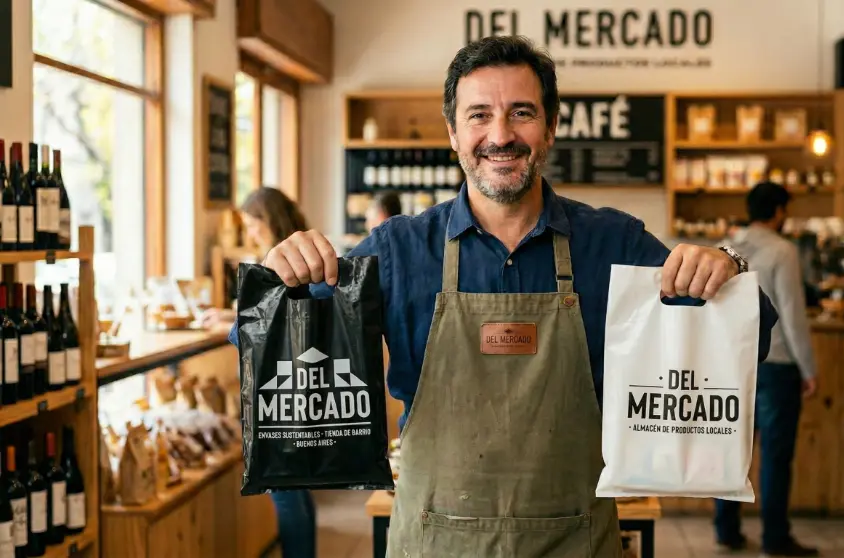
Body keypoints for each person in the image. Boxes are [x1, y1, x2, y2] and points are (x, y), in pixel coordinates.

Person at [230, 36, 778, 557]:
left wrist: (725, 268)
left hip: (575, 540)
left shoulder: (614, 244)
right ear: (452, 132)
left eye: (521, 112)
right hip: (435, 541)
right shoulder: (399, 251)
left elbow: (743, 341)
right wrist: (283, 279)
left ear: (551, 126)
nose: (501, 135)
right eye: (479, 115)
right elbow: (259, 342)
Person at [205, 187, 318, 558]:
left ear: (268, 221)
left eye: (253, 224)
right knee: (295, 490)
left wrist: (231, 327)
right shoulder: (301, 255)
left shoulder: (279, 263)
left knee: (285, 493)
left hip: (278, 394)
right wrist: (231, 315)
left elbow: (262, 332)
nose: (250, 233)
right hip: (299, 389)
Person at [715, 182, 818, 556]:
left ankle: (726, 530)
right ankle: (774, 537)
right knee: (775, 456)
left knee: (731, 448)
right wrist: (808, 367)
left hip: (732, 361)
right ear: (777, 211)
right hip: (775, 365)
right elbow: (791, 315)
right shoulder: (783, 250)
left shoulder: (727, 247)